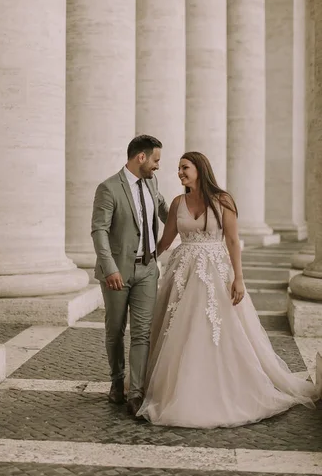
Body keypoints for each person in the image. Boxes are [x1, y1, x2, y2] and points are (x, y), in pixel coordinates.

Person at [137, 152, 318, 428]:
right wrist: (141, 259)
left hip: (215, 273)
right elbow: (166, 240)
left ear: (199, 169)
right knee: (178, 329)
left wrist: (239, 278)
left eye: (184, 168)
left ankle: (225, 389)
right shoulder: (177, 203)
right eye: (178, 169)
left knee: (214, 328)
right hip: (182, 273)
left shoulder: (223, 201)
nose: (179, 173)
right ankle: (177, 389)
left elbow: (233, 240)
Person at [91, 135, 169, 416]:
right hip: (117, 272)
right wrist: (110, 267)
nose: (158, 166)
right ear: (141, 157)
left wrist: (195, 210)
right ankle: (116, 381)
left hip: (148, 269)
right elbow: (99, 230)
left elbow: (165, 211)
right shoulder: (108, 188)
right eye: (156, 160)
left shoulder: (152, 183)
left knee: (142, 332)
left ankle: (135, 392)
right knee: (115, 330)